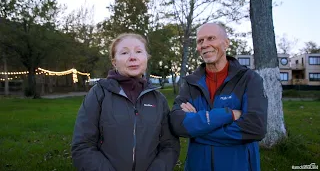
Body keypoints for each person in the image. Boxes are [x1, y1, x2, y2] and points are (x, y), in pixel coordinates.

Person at [71, 33, 180, 171]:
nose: (133, 57)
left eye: (139, 51)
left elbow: (169, 146)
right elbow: (83, 146)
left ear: (146, 58)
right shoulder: (99, 94)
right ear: (114, 62)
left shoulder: (158, 100)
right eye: (124, 52)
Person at [169, 23, 268, 171]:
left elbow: (255, 127)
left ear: (226, 43)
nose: (205, 44)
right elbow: (177, 123)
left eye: (211, 38)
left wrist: (197, 129)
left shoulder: (249, 79)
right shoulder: (191, 83)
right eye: (200, 41)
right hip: (198, 165)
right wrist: (227, 115)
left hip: (239, 165)